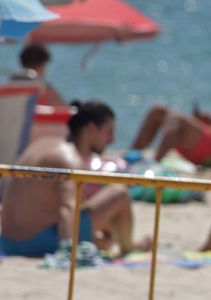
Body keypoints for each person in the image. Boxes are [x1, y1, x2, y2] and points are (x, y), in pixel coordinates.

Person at [1, 100, 138, 257]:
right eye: (109, 132)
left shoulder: (44, 144)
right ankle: (128, 248)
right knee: (119, 193)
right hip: (37, 243)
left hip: (7, 241)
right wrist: (69, 252)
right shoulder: (69, 158)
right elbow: (68, 209)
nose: (112, 140)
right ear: (91, 129)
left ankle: (112, 242)